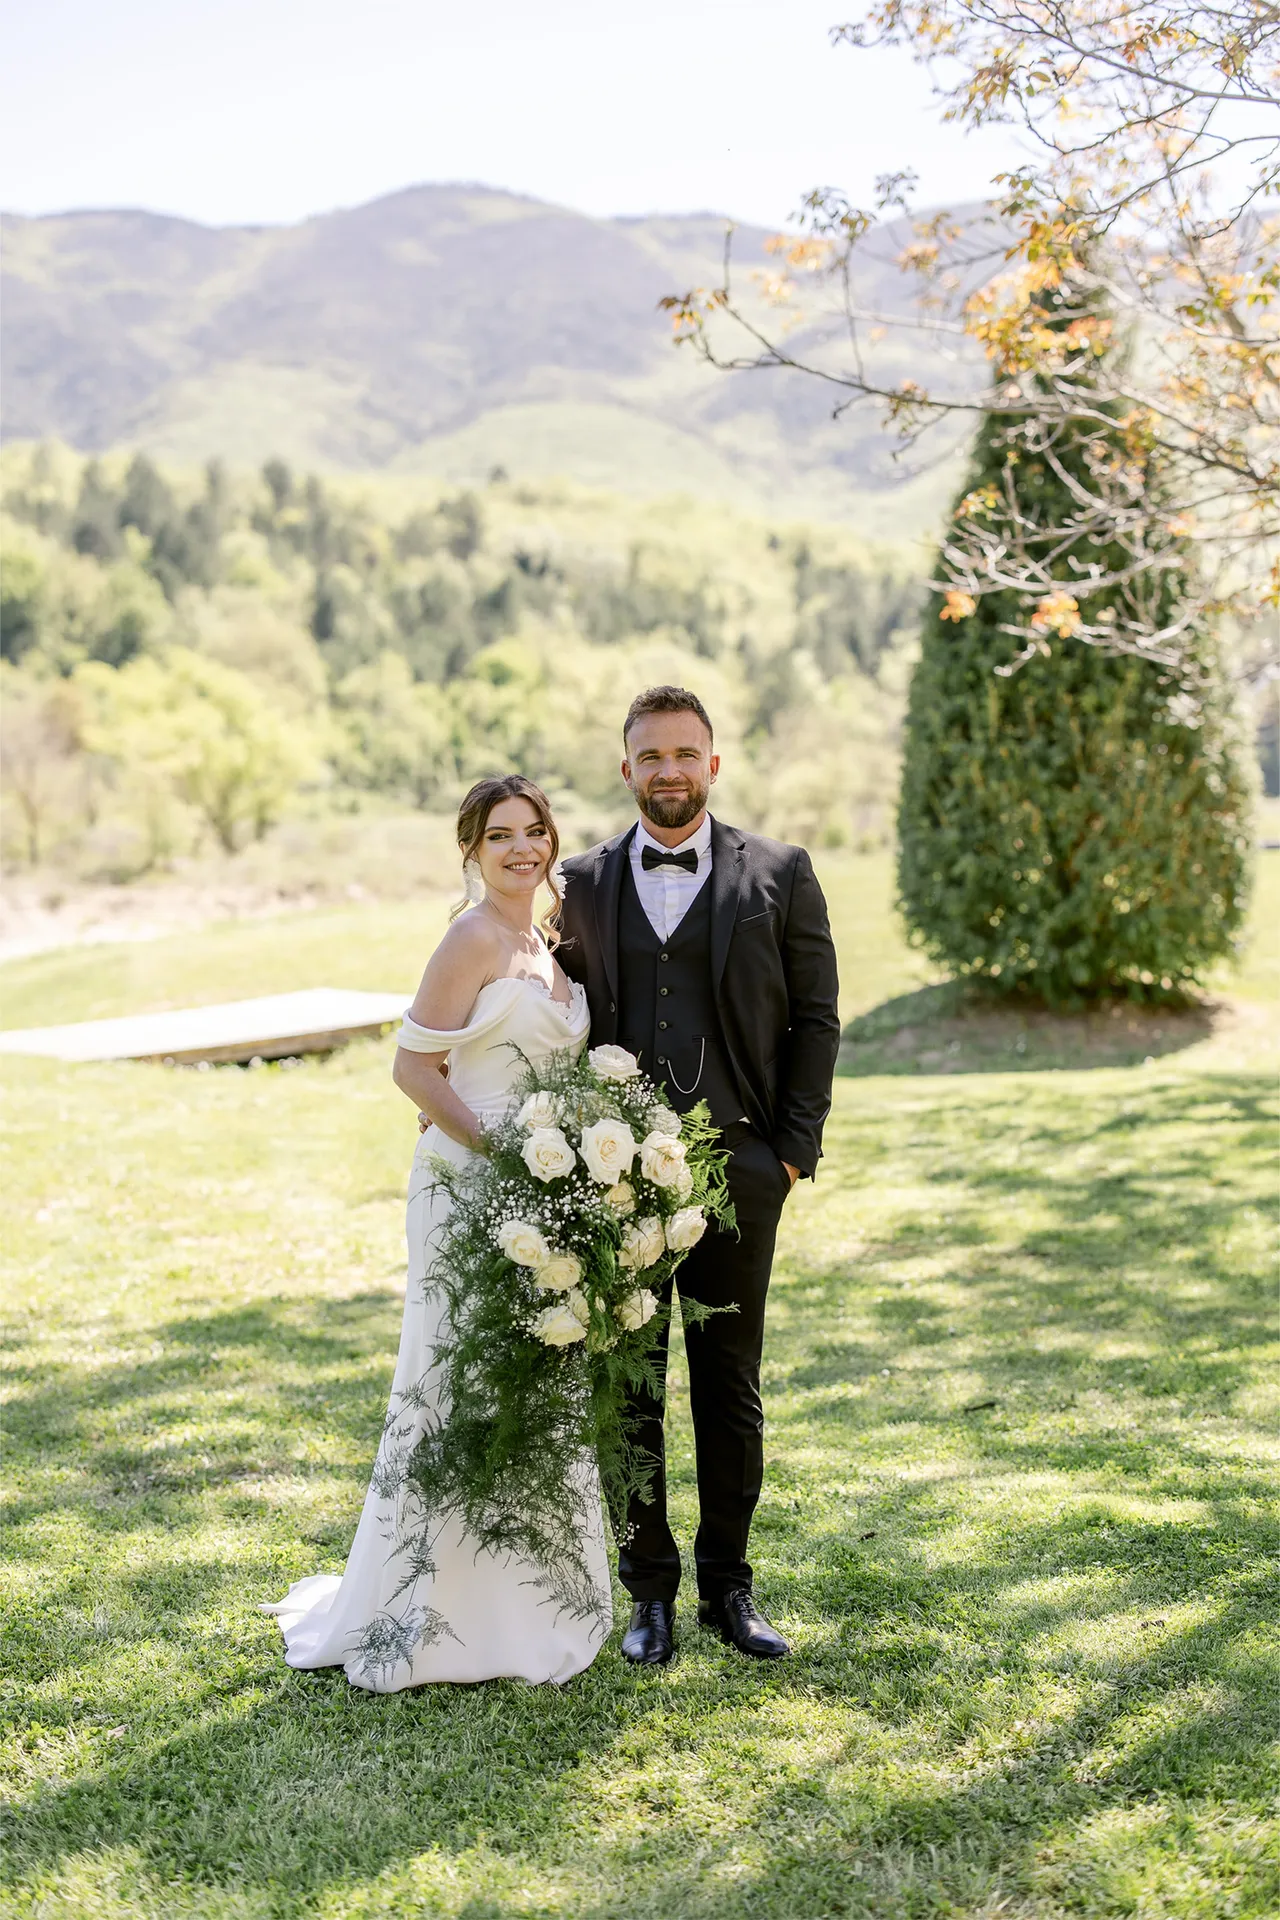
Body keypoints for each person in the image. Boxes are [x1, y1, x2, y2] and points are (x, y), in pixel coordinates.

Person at [262, 775, 611, 1689]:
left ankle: (525, 1601)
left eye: (534, 831)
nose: (522, 849)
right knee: (453, 1380)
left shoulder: (546, 943)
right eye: (500, 836)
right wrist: (506, 1152)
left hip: (542, 1196)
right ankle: (427, 1605)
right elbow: (413, 1071)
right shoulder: (471, 938)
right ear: (471, 850)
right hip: (468, 1186)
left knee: (531, 1383)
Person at [558, 686, 840, 1664]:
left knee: (729, 1384)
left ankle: (729, 1585)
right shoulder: (578, 883)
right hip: (615, 1183)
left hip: (742, 1170)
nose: (669, 770)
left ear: (712, 765)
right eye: (652, 755)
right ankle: (649, 1593)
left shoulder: (781, 872)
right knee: (628, 1388)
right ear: (625, 768)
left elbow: (815, 1017)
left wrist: (789, 1153)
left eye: (686, 753)